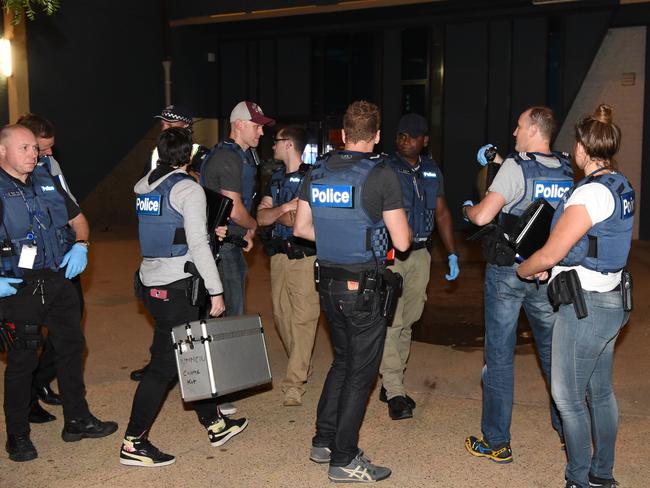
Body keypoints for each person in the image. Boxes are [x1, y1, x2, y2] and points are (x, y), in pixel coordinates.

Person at [294, 101, 411, 483]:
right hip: (363, 288)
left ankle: (323, 440)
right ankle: (343, 458)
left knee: (343, 362)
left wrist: (335, 236)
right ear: (377, 137)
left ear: (343, 135)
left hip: (326, 282)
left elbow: (301, 229)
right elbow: (403, 241)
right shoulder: (381, 174)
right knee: (360, 373)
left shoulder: (318, 171)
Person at [517, 104, 633, 488]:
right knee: (599, 393)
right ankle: (602, 474)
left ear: (583, 148)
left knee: (568, 398)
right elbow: (590, 245)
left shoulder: (590, 194)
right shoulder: (620, 185)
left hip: (585, 309)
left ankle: (579, 478)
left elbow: (552, 250)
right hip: (610, 300)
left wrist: (525, 268)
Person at [120, 128, 248, 468]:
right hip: (176, 288)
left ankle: (215, 423)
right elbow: (197, 245)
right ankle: (133, 442)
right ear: (188, 156)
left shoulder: (145, 186)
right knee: (163, 367)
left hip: (151, 282)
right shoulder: (188, 189)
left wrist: (204, 230)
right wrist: (217, 290)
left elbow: (166, 229)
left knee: (189, 354)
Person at [0, 125, 117, 462]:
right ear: (4, 151)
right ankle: (17, 436)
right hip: (18, 288)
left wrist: (81, 245)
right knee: (23, 362)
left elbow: (79, 220)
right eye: (24, 148)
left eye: (34, 148)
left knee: (71, 348)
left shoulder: (47, 180)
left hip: (57, 280)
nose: (33, 154)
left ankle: (77, 420)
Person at [462, 106, 571, 463]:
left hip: (508, 273)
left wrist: (467, 208)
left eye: (520, 126)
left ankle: (496, 442)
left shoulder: (516, 166)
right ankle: (570, 434)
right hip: (547, 273)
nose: (514, 131)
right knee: (554, 357)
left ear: (535, 129)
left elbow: (483, 215)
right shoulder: (568, 168)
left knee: (498, 358)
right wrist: (497, 158)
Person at [379, 113, 459, 420]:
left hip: (422, 254)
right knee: (392, 320)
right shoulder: (386, 168)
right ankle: (395, 391)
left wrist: (452, 253)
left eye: (412, 136)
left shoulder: (431, 170)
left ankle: (391, 375)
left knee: (410, 319)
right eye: (401, 135)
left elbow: (441, 213)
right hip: (391, 255)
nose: (405, 140)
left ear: (424, 140)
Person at [130, 104, 210, 383]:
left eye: (169, 125)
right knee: (170, 313)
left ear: (186, 128)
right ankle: (163, 364)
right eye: (162, 124)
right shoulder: (155, 153)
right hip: (162, 240)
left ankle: (190, 371)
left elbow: (205, 194)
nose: (163, 128)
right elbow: (145, 187)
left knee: (187, 309)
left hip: (191, 237)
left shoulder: (199, 155)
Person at [16, 113, 81, 424]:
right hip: (26, 273)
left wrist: (81, 243)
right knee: (26, 346)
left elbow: (71, 209)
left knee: (70, 334)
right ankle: (25, 408)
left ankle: (43, 385)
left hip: (60, 260)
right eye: (43, 148)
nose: (49, 154)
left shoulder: (48, 168)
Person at [256, 124, 320, 407]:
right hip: (278, 257)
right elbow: (261, 218)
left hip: (305, 258)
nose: (272, 146)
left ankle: (294, 383)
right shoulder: (276, 178)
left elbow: (299, 223)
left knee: (304, 318)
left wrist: (279, 215)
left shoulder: (313, 178)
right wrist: (283, 209)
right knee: (281, 316)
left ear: (289, 144)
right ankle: (302, 363)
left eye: (276, 141)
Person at [200, 101, 274, 317]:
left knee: (225, 313)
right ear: (239, 124)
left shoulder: (238, 155)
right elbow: (233, 209)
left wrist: (244, 232)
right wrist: (253, 225)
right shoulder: (229, 157)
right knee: (232, 317)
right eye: (256, 126)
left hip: (228, 241)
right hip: (223, 247)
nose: (261, 132)